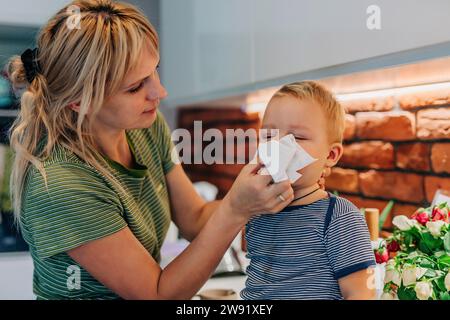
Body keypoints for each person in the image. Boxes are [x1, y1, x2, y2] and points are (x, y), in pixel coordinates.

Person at [5, 0, 296, 300]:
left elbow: (195, 217)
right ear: (80, 101)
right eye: (135, 87)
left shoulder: (146, 127)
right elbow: (157, 294)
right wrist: (236, 209)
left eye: (154, 70)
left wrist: (258, 199)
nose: (160, 92)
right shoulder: (62, 185)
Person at [241, 81, 377, 300]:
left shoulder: (339, 217)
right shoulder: (257, 211)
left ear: (331, 155)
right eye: (268, 136)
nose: (278, 145)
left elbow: (361, 294)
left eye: (297, 138)